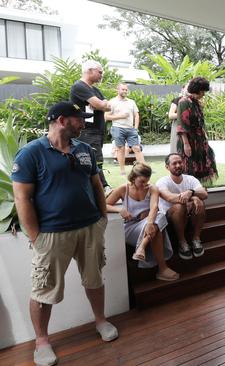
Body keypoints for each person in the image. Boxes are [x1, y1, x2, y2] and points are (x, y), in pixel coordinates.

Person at [11, 101, 117, 366]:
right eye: (79, 118)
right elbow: (22, 199)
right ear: (61, 120)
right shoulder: (31, 153)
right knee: (43, 289)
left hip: (90, 228)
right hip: (52, 234)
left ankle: (101, 321)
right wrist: (37, 237)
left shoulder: (85, 151)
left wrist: (102, 218)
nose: (83, 123)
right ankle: (42, 341)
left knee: (94, 279)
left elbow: (96, 186)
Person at [105, 163, 178, 281]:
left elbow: (154, 207)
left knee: (158, 216)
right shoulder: (123, 189)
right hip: (130, 227)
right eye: (142, 181)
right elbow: (104, 205)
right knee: (156, 223)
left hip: (148, 224)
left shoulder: (152, 188)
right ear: (133, 178)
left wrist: (149, 223)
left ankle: (142, 247)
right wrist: (120, 209)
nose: (145, 184)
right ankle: (162, 268)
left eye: (147, 181)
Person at [70, 60, 112, 195]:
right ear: (89, 70)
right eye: (100, 72)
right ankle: (104, 188)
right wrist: (101, 104)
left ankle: (97, 189)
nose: (102, 75)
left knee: (93, 159)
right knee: (94, 159)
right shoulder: (79, 86)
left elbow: (108, 105)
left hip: (97, 131)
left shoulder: (95, 90)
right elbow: (100, 105)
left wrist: (102, 103)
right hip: (87, 131)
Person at [157, 153, 208, 260]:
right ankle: (182, 242)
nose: (178, 165)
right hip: (170, 218)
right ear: (167, 167)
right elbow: (170, 198)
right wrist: (194, 197)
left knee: (200, 203)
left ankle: (196, 239)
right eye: (174, 163)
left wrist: (192, 192)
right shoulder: (162, 181)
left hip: (189, 215)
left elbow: (204, 194)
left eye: (180, 162)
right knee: (180, 206)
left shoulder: (190, 179)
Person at [176, 77, 218, 183]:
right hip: (189, 139)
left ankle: (197, 187)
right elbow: (182, 125)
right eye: (203, 91)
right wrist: (186, 144)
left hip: (199, 139)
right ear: (199, 90)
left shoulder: (195, 102)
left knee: (201, 162)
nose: (204, 94)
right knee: (190, 165)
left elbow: (199, 122)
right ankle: (189, 188)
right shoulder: (184, 102)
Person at [105, 83, 144, 175]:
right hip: (118, 128)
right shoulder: (112, 102)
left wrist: (136, 128)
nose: (125, 91)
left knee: (136, 148)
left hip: (131, 129)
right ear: (118, 90)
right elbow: (106, 117)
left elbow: (137, 115)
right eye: (123, 89)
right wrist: (121, 116)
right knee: (121, 149)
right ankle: (122, 170)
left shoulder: (131, 102)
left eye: (126, 90)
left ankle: (143, 169)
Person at [167, 83, 188, 154]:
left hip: (190, 127)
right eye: (186, 88)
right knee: (177, 148)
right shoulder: (177, 100)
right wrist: (184, 115)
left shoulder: (194, 101)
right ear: (182, 89)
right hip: (178, 126)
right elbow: (171, 115)